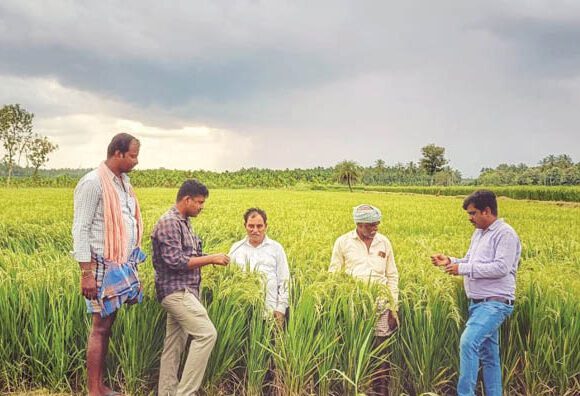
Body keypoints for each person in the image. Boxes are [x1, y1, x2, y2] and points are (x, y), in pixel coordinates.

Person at [72, 132, 144, 396]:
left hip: (119, 266)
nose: (137, 161)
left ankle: (100, 385)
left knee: (107, 325)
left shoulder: (122, 184)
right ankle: (94, 390)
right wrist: (86, 273)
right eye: (133, 155)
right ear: (118, 153)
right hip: (100, 267)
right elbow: (80, 229)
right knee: (100, 327)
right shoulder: (93, 183)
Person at [431, 189, 521, 396]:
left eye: (472, 213)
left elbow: (501, 267)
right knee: (489, 355)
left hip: (495, 303)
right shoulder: (479, 233)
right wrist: (451, 261)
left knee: (468, 342)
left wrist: (462, 269)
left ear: (487, 211)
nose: (470, 218)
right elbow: (470, 262)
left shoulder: (505, 233)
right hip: (478, 303)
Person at [151, 179, 230, 396]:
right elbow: (175, 261)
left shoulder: (184, 222)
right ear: (186, 199)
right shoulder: (170, 222)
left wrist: (210, 257)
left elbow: (189, 256)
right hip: (176, 292)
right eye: (199, 202)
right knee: (207, 334)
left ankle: (166, 392)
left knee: (174, 345)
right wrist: (212, 259)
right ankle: (185, 393)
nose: (201, 206)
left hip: (184, 291)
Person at [329, 204, 399, 395]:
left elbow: (392, 275)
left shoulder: (384, 242)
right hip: (354, 307)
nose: (374, 229)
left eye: (377, 224)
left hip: (381, 306)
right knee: (353, 349)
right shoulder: (343, 242)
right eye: (370, 225)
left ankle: (380, 391)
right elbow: (334, 274)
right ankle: (353, 388)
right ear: (358, 224)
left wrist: (394, 307)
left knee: (381, 351)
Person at [228, 208, 291, 327]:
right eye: (251, 226)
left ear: (265, 226)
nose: (255, 230)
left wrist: (281, 309)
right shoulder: (236, 249)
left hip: (270, 313)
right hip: (242, 313)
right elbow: (229, 280)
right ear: (245, 225)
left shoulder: (276, 248)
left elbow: (284, 280)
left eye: (259, 226)